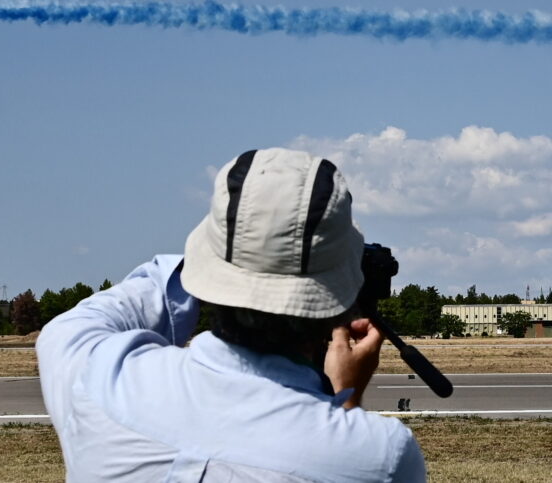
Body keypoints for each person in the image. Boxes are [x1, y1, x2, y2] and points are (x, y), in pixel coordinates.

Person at [37, 147, 426, 482]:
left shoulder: (96, 375)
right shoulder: (381, 457)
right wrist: (345, 400)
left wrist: (242, 248)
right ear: (340, 294)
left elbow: (128, 298)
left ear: (209, 263)